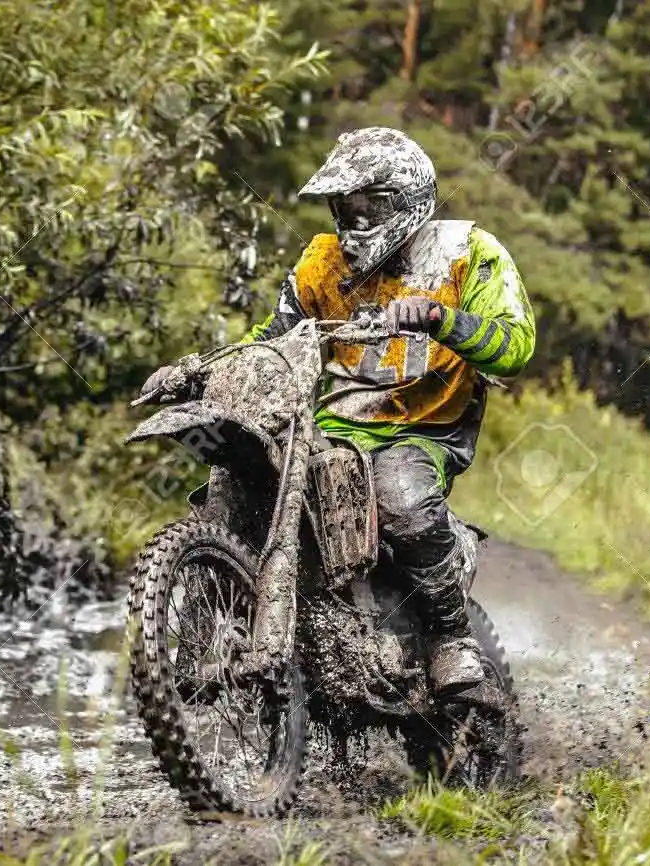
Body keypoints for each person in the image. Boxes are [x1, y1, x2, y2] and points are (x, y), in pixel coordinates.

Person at [143, 126, 535, 695]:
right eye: (344, 208)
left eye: (366, 207)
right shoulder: (321, 262)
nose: (354, 221)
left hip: (424, 432)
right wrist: (198, 370)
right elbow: (272, 339)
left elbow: (515, 347)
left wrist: (438, 318)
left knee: (400, 496)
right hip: (330, 427)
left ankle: (451, 637)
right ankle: (208, 634)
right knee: (238, 478)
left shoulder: (467, 254)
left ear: (404, 201)